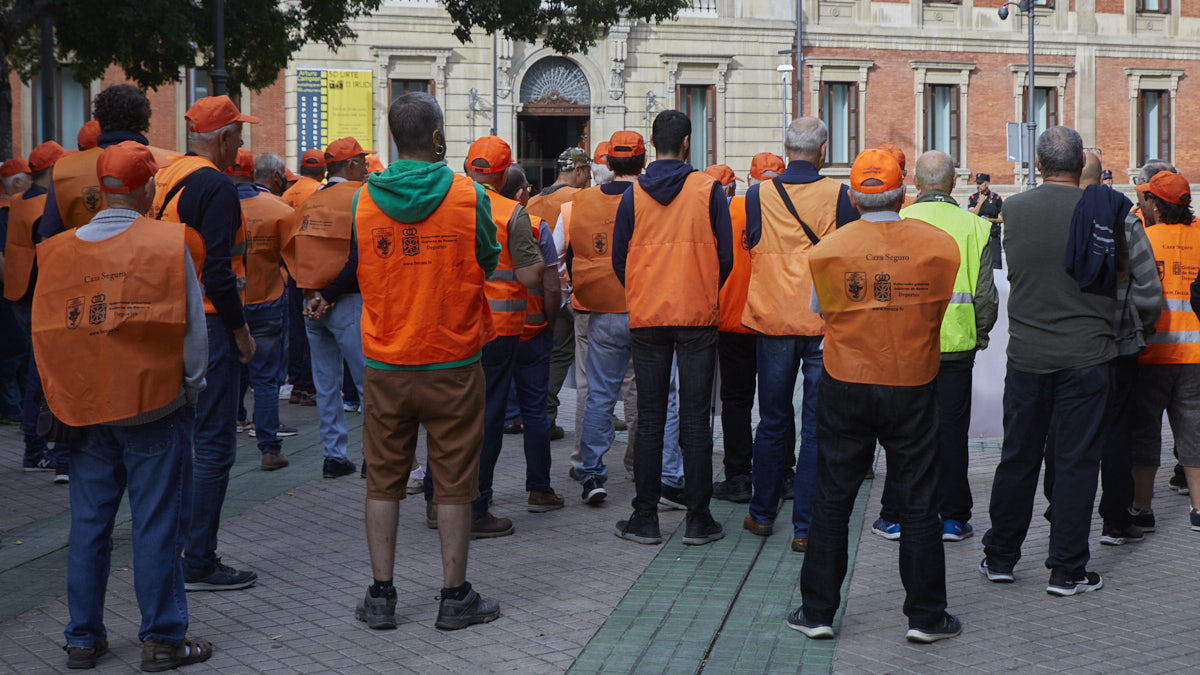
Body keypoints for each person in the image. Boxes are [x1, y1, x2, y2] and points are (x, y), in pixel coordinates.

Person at [35, 141, 212, 671]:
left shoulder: (59, 250)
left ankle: (83, 638)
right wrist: (191, 389)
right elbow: (193, 334)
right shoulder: (165, 242)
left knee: (89, 526)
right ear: (145, 187)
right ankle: (162, 638)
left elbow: (48, 335)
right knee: (155, 523)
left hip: (83, 409)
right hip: (153, 405)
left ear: (100, 188)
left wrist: (61, 397)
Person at [787, 148, 961, 643]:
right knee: (920, 501)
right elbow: (939, 304)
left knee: (833, 498)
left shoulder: (828, 249)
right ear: (902, 192)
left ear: (852, 196)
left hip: (846, 379)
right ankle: (926, 617)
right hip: (913, 378)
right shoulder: (940, 245)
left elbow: (822, 310)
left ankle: (817, 611)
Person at [356, 91, 501, 631]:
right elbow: (487, 257)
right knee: (455, 482)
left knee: (383, 480)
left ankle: (380, 596)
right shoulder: (468, 195)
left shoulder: (363, 200)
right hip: (453, 359)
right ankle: (453, 596)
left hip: (386, 360)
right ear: (437, 137)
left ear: (394, 138)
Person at [980, 126, 1114, 596]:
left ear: (1039, 165)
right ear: (1080, 165)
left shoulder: (1012, 210)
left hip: (1029, 355)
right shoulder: (1104, 211)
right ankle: (1068, 570)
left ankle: (1000, 556)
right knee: (1076, 462)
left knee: (1018, 457)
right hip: (1088, 353)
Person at [611, 109, 732, 546]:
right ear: (686, 144)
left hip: (648, 318)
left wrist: (646, 288)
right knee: (696, 421)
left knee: (650, 419)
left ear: (653, 143)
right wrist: (699, 287)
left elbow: (619, 259)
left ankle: (645, 518)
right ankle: (699, 520)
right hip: (697, 315)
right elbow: (726, 258)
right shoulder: (708, 190)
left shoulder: (634, 195)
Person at [153, 94, 259, 592]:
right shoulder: (216, 186)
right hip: (212, 325)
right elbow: (219, 271)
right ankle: (198, 559)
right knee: (215, 445)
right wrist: (240, 332)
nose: (242, 142)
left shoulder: (167, 178)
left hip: (172, 319)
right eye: (238, 133)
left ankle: (178, 550)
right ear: (222, 139)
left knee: (184, 442)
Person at [740, 119, 857, 554]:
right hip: (821, 320)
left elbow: (752, 240)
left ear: (786, 148)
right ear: (823, 150)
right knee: (816, 427)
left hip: (772, 319)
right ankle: (805, 526)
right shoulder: (838, 195)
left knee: (771, 421)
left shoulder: (757, 194)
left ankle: (762, 513)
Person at [872, 150, 997, 542]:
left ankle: (894, 514)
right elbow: (986, 297)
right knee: (952, 432)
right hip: (956, 348)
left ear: (915, 185)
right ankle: (953, 518)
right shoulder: (975, 226)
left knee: (902, 431)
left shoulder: (898, 222)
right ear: (954, 182)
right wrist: (979, 334)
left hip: (904, 348)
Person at [455, 135, 545, 537]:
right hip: (502, 329)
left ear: (467, 167)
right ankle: (476, 507)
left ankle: (437, 502)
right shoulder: (513, 213)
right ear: (505, 172)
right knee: (489, 416)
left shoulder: (448, 204)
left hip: (453, 325)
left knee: (450, 416)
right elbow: (528, 274)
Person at [282, 137, 370, 478]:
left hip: (312, 304)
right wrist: (328, 294)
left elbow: (291, 251)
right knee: (367, 385)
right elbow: (360, 258)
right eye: (362, 162)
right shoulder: (362, 199)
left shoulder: (308, 203)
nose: (365, 169)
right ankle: (370, 457)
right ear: (350, 166)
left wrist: (310, 294)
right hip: (348, 302)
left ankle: (334, 457)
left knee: (326, 385)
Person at [711, 153, 785, 505]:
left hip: (732, 318)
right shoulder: (786, 210)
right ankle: (783, 474)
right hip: (773, 319)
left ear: (749, 178)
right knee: (778, 402)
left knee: (736, 402)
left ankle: (738, 476)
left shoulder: (730, 208)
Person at [1128, 171, 1200, 531]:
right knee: (1193, 428)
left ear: (1157, 205)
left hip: (1152, 353)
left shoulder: (1146, 240)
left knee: (1144, 430)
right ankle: (1198, 508)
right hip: (1196, 355)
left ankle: (1142, 509)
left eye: (1147, 199)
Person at [499, 163, 565, 513]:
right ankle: (540, 490)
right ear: (522, 193)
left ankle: (478, 495)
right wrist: (548, 322)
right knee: (536, 413)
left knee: (486, 414)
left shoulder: (474, 219)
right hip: (532, 333)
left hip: (488, 334)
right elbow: (552, 287)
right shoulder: (537, 228)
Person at [5, 141, 69, 480]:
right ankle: (37, 447)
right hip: (39, 297)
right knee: (41, 377)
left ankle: (34, 447)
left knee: (35, 372)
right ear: (53, 170)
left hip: (19, 294)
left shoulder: (18, 201)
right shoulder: (45, 207)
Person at [227, 149, 294, 471]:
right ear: (253, 174)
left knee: (226, 376)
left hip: (225, 306)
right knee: (266, 380)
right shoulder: (278, 208)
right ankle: (269, 448)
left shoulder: (214, 208)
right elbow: (291, 259)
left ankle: (220, 442)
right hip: (266, 303)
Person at [41, 85, 175, 239]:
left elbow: (48, 241)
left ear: (99, 120)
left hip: (84, 260)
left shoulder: (65, 170)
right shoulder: (175, 165)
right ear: (145, 120)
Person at [529, 146, 591, 439]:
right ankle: (549, 414)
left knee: (541, 351)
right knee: (567, 353)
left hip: (532, 288)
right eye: (587, 172)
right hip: (566, 289)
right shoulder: (579, 199)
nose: (589, 179)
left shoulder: (531, 202)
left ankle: (533, 413)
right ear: (578, 171)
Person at [0, 158, 33, 427]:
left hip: (12, 292)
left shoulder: (13, 211)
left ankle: (15, 407)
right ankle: (10, 409)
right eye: (31, 179)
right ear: (18, 182)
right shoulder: (4, 213)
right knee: (13, 351)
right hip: (9, 294)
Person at [968, 173, 1003, 269]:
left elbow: (1003, 218)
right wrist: (981, 202)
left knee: (995, 264)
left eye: (980, 183)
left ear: (987, 183)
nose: (978, 186)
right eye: (977, 183)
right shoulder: (973, 198)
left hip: (992, 234)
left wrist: (992, 220)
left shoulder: (996, 198)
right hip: (978, 235)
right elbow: (972, 214)